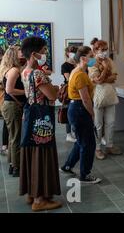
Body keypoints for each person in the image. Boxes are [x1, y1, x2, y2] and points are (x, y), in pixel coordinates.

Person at [20, 37, 62, 211]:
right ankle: (40, 200)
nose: (45, 54)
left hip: (30, 114)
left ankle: (32, 192)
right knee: (41, 153)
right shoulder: (38, 74)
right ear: (33, 53)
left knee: (31, 151)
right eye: (43, 51)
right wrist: (57, 89)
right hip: (42, 117)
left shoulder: (25, 71)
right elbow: (51, 96)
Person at [60, 46, 102, 184]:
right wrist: (92, 113)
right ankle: (85, 174)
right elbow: (85, 98)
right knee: (88, 144)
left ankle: (68, 166)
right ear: (83, 58)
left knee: (81, 141)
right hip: (80, 109)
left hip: (77, 108)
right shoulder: (79, 74)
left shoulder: (77, 71)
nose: (93, 58)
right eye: (91, 55)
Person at [88, 38, 121, 160]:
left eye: (106, 49)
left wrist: (103, 78)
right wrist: (106, 70)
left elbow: (114, 77)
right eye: (102, 50)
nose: (105, 52)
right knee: (98, 124)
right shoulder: (91, 62)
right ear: (95, 50)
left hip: (110, 95)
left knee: (111, 123)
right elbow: (97, 80)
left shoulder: (109, 60)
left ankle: (109, 145)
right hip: (97, 96)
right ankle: (97, 148)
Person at [0, 46, 26, 177]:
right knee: (16, 137)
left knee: (12, 136)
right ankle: (17, 167)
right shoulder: (14, 70)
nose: (22, 53)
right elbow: (9, 90)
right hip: (12, 105)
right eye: (20, 52)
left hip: (9, 105)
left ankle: (12, 164)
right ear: (14, 55)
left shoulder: (10, 69)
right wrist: (26, 92)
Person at [61, 46, 77, 143]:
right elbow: (68, 79)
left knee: (76, 112)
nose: (73, 53)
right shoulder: (65, 65)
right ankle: (68, 134)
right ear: (67, 53)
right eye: (71, 52)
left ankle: (75, 131)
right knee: (68, 111)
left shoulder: (78, 64)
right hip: (69, 90)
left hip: (79, 89)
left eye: (75, 51)